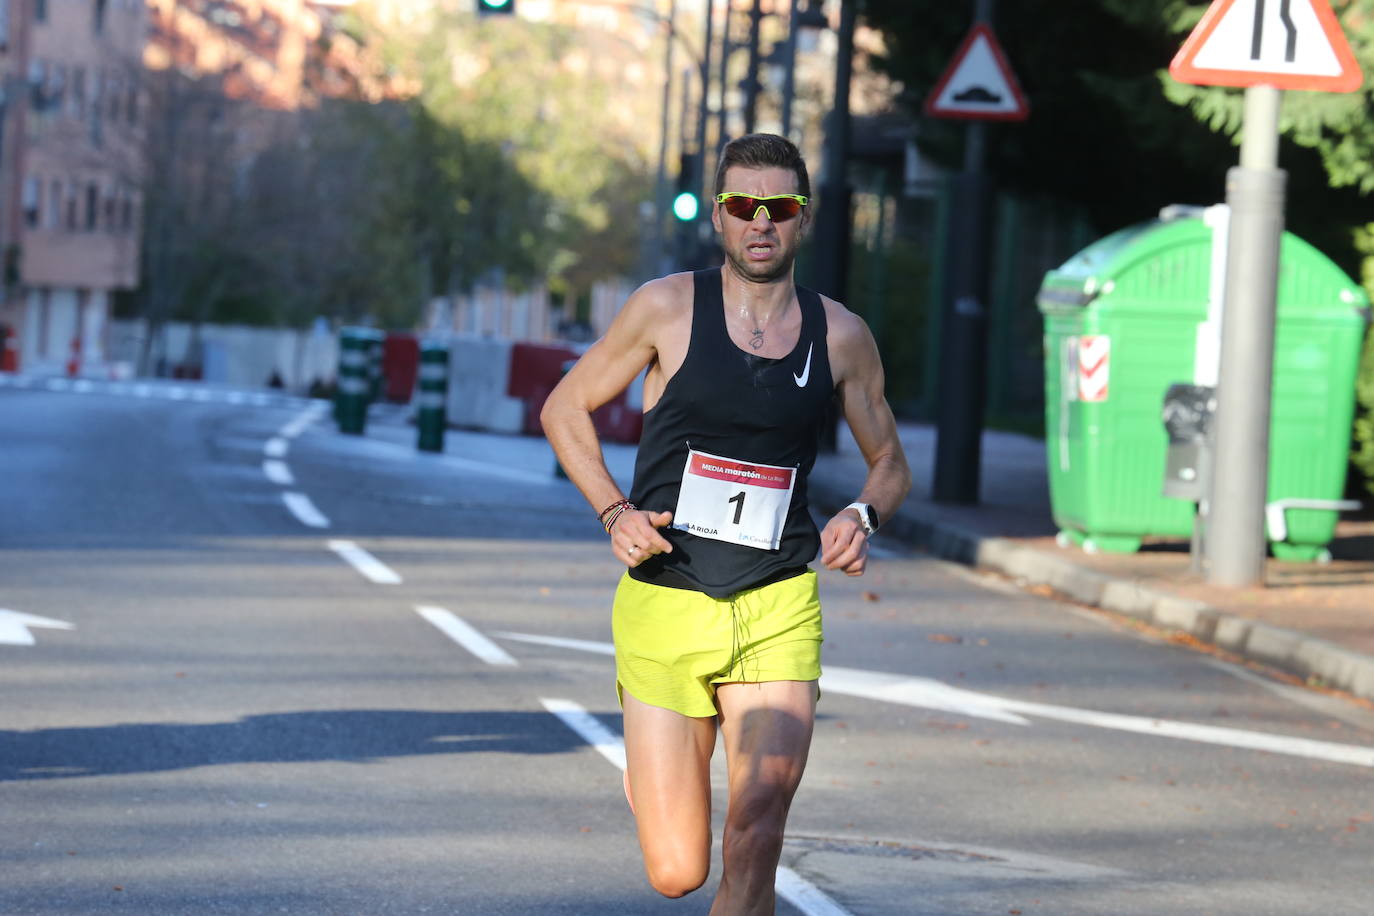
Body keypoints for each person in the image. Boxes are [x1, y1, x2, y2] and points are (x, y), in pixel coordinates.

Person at [541, 133, 911, 914]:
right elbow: (563, 407)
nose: (761, 222)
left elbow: (891, 464)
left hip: (778, 602)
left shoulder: (840, 334)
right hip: (667, 597)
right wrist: (614, 510)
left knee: (759, 822)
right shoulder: (666, 308)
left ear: (803, 219)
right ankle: (658, 776)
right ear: (719, 215)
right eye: (744, 205)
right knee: (678, 871)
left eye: (780, 207)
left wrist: (862, 515)